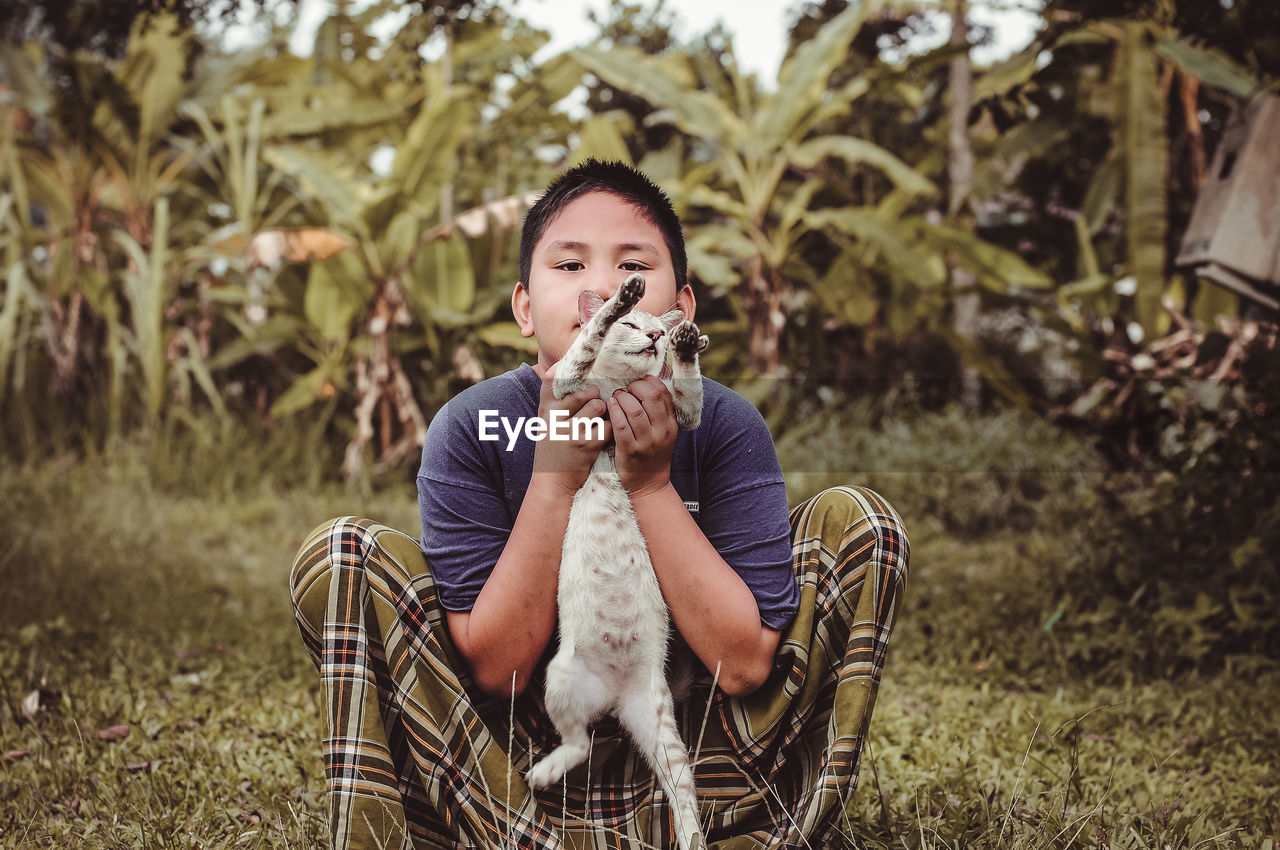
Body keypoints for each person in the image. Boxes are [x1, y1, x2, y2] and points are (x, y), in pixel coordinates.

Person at [290, 159, 910, 849]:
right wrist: (554, 477)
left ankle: (752, 829)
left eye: (633, 269)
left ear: (683, 312)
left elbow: (744, 665)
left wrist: (651, 484)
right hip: (505, 785)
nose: (602, 287)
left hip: (705, 770)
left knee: (864, 526)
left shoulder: (724, 424)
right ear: (524, 308)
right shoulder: (472, 424)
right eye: (569, 265)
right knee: (342, 552)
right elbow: (501, 669)